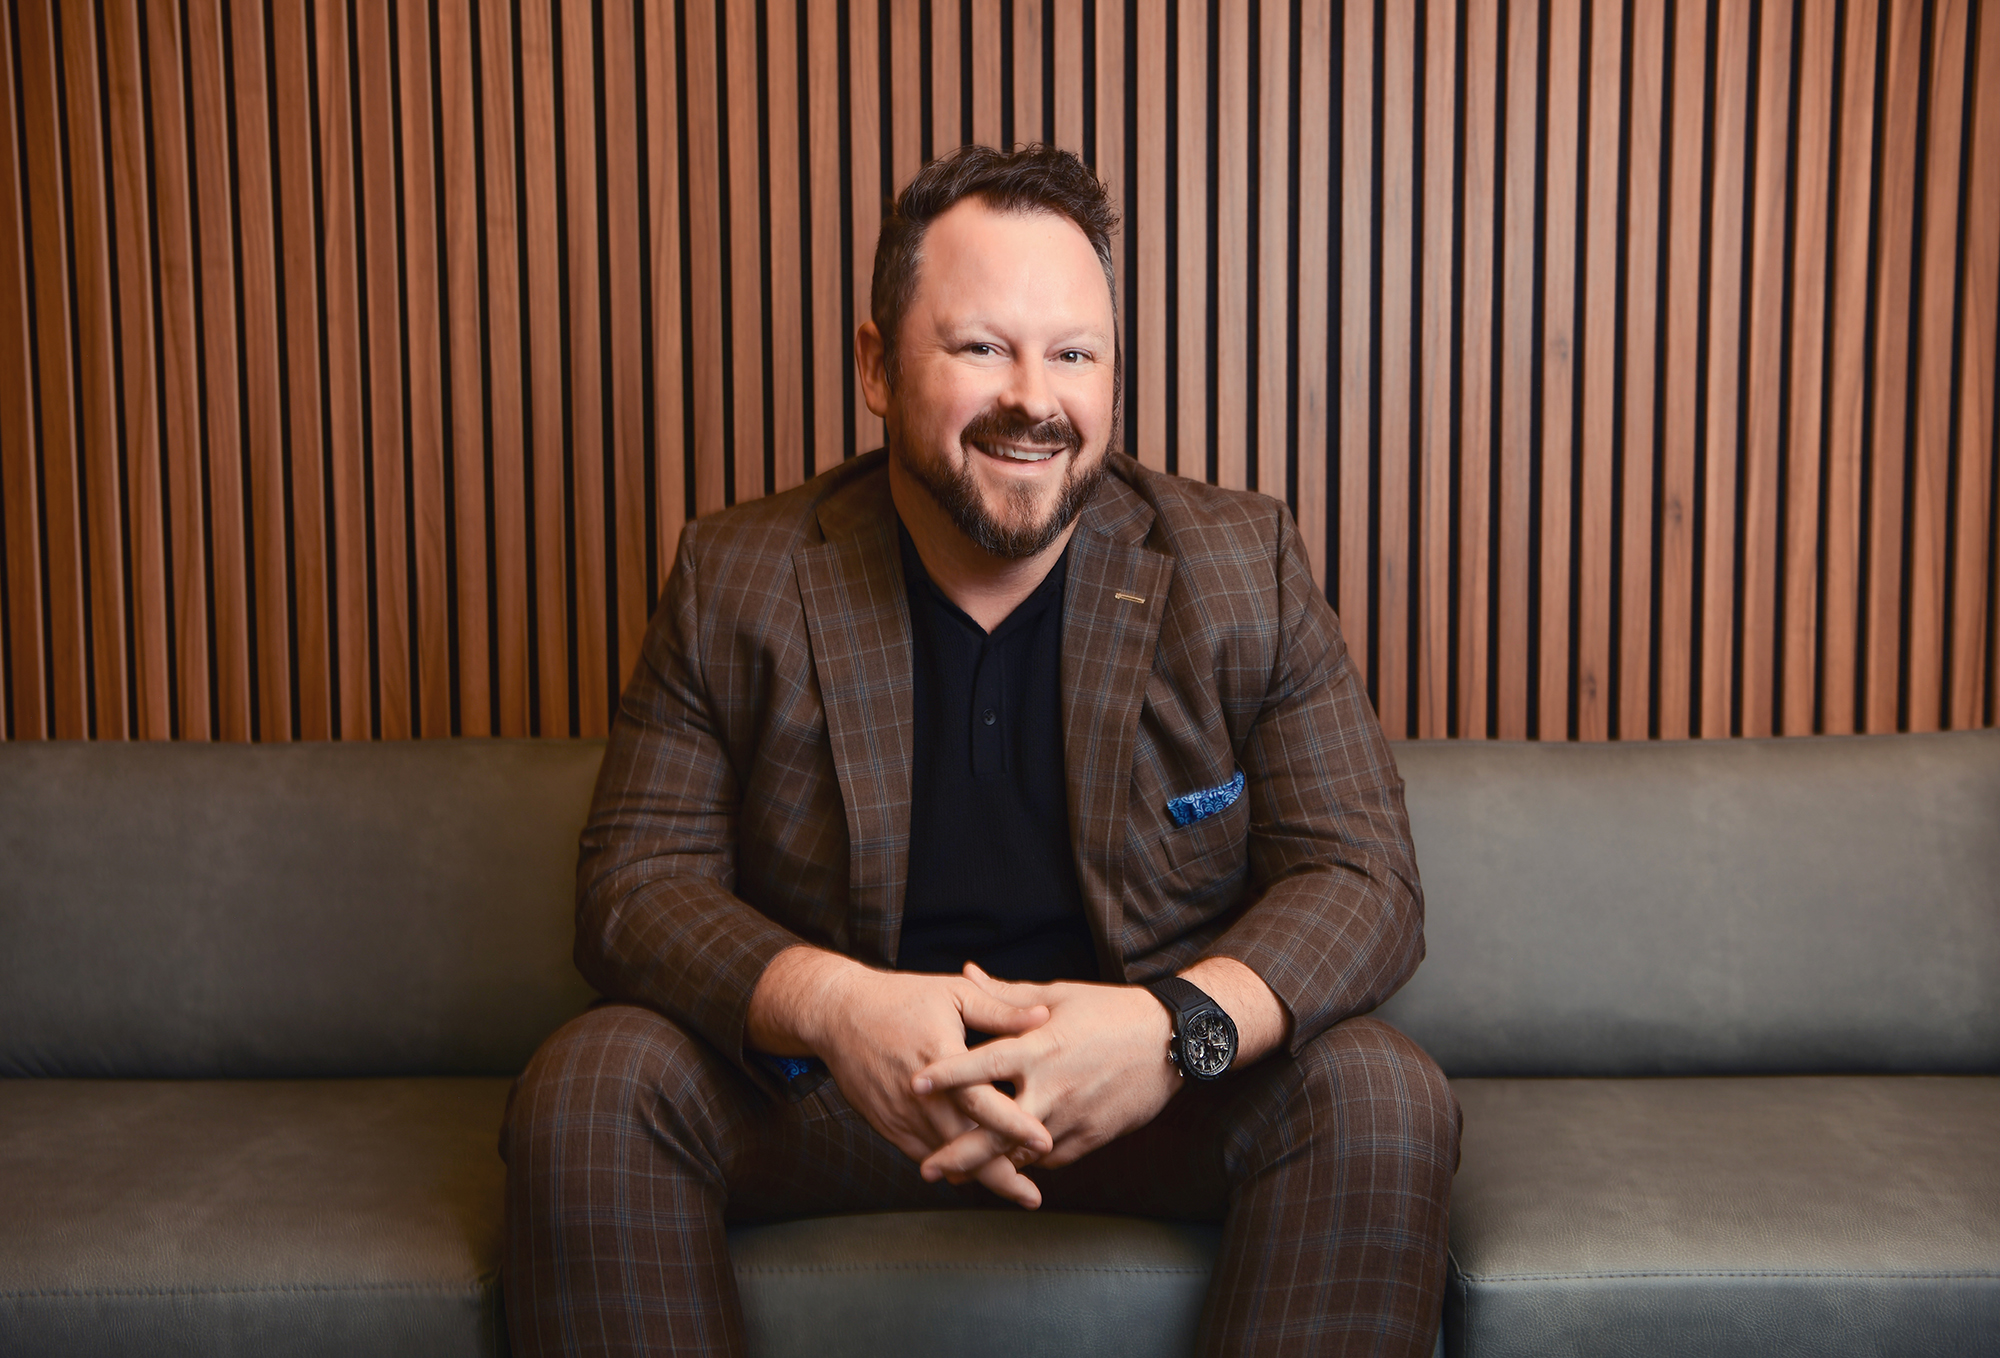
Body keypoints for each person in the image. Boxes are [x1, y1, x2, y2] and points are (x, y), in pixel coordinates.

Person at [502, 143, 1458, 1357]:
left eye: (1073, 351)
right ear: (874, 366)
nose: (1033, 396)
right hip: (840, 1097)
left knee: (1377, 1088)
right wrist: (839, 1006)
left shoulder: (1239, 565)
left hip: (1137, 1095)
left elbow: (1365, 876)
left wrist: (1170, 1031)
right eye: (978, 347)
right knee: (594, 1080)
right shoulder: (736, 575)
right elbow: (633, 888)